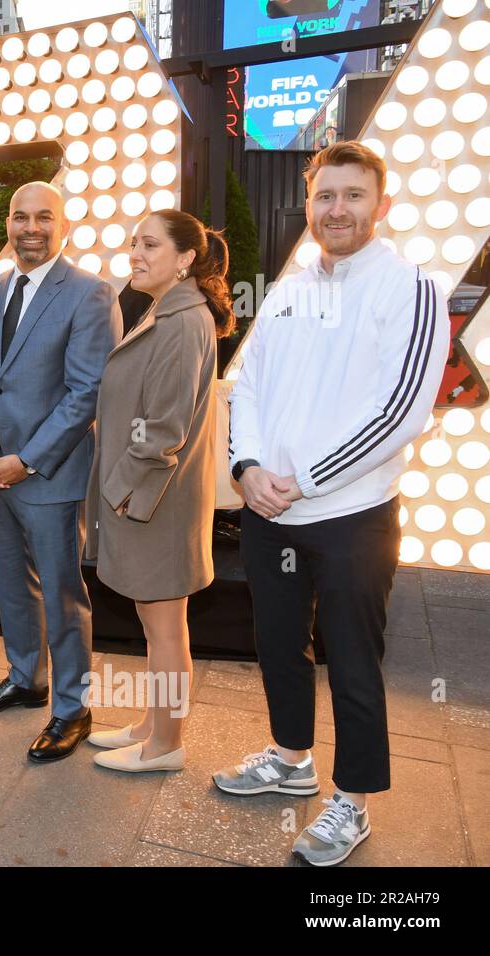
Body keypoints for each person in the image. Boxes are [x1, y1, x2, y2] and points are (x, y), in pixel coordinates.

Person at [216, 141, 449, 866]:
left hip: (352, 516)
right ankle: (291, 758)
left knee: (352, 658)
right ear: (308, 202)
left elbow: (403, 410)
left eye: (352, 195)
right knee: (278, 645)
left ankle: (352, 800)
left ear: (380, 204)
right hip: (267, 510)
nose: (337, 209)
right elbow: (247, 383)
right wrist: (248, 466)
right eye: (325, 196)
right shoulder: (287, 289)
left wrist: (304, 478)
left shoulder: (410, 287)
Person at [0, 182, 122, 761]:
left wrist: (25, 461)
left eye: (43, 217)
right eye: (20, 217)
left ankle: (72, 709)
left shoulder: (88, 294)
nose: (31, 227)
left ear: (64, 225)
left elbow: (86, 393)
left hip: (47, 475)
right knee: (9, 582)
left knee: (61, 590)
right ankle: (27, 679)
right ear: (8, 224)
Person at [84, 211, 234, 773]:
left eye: (150, 245)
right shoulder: (170, 310)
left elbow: (162, 431)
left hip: (154, 502)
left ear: (186, 258)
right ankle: (153, 725)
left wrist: (118, 490)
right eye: (134, 244)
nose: (136, 254)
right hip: (151, 499)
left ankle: (166, 746)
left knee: (166, 628)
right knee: (157, 625)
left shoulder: (180, 321)